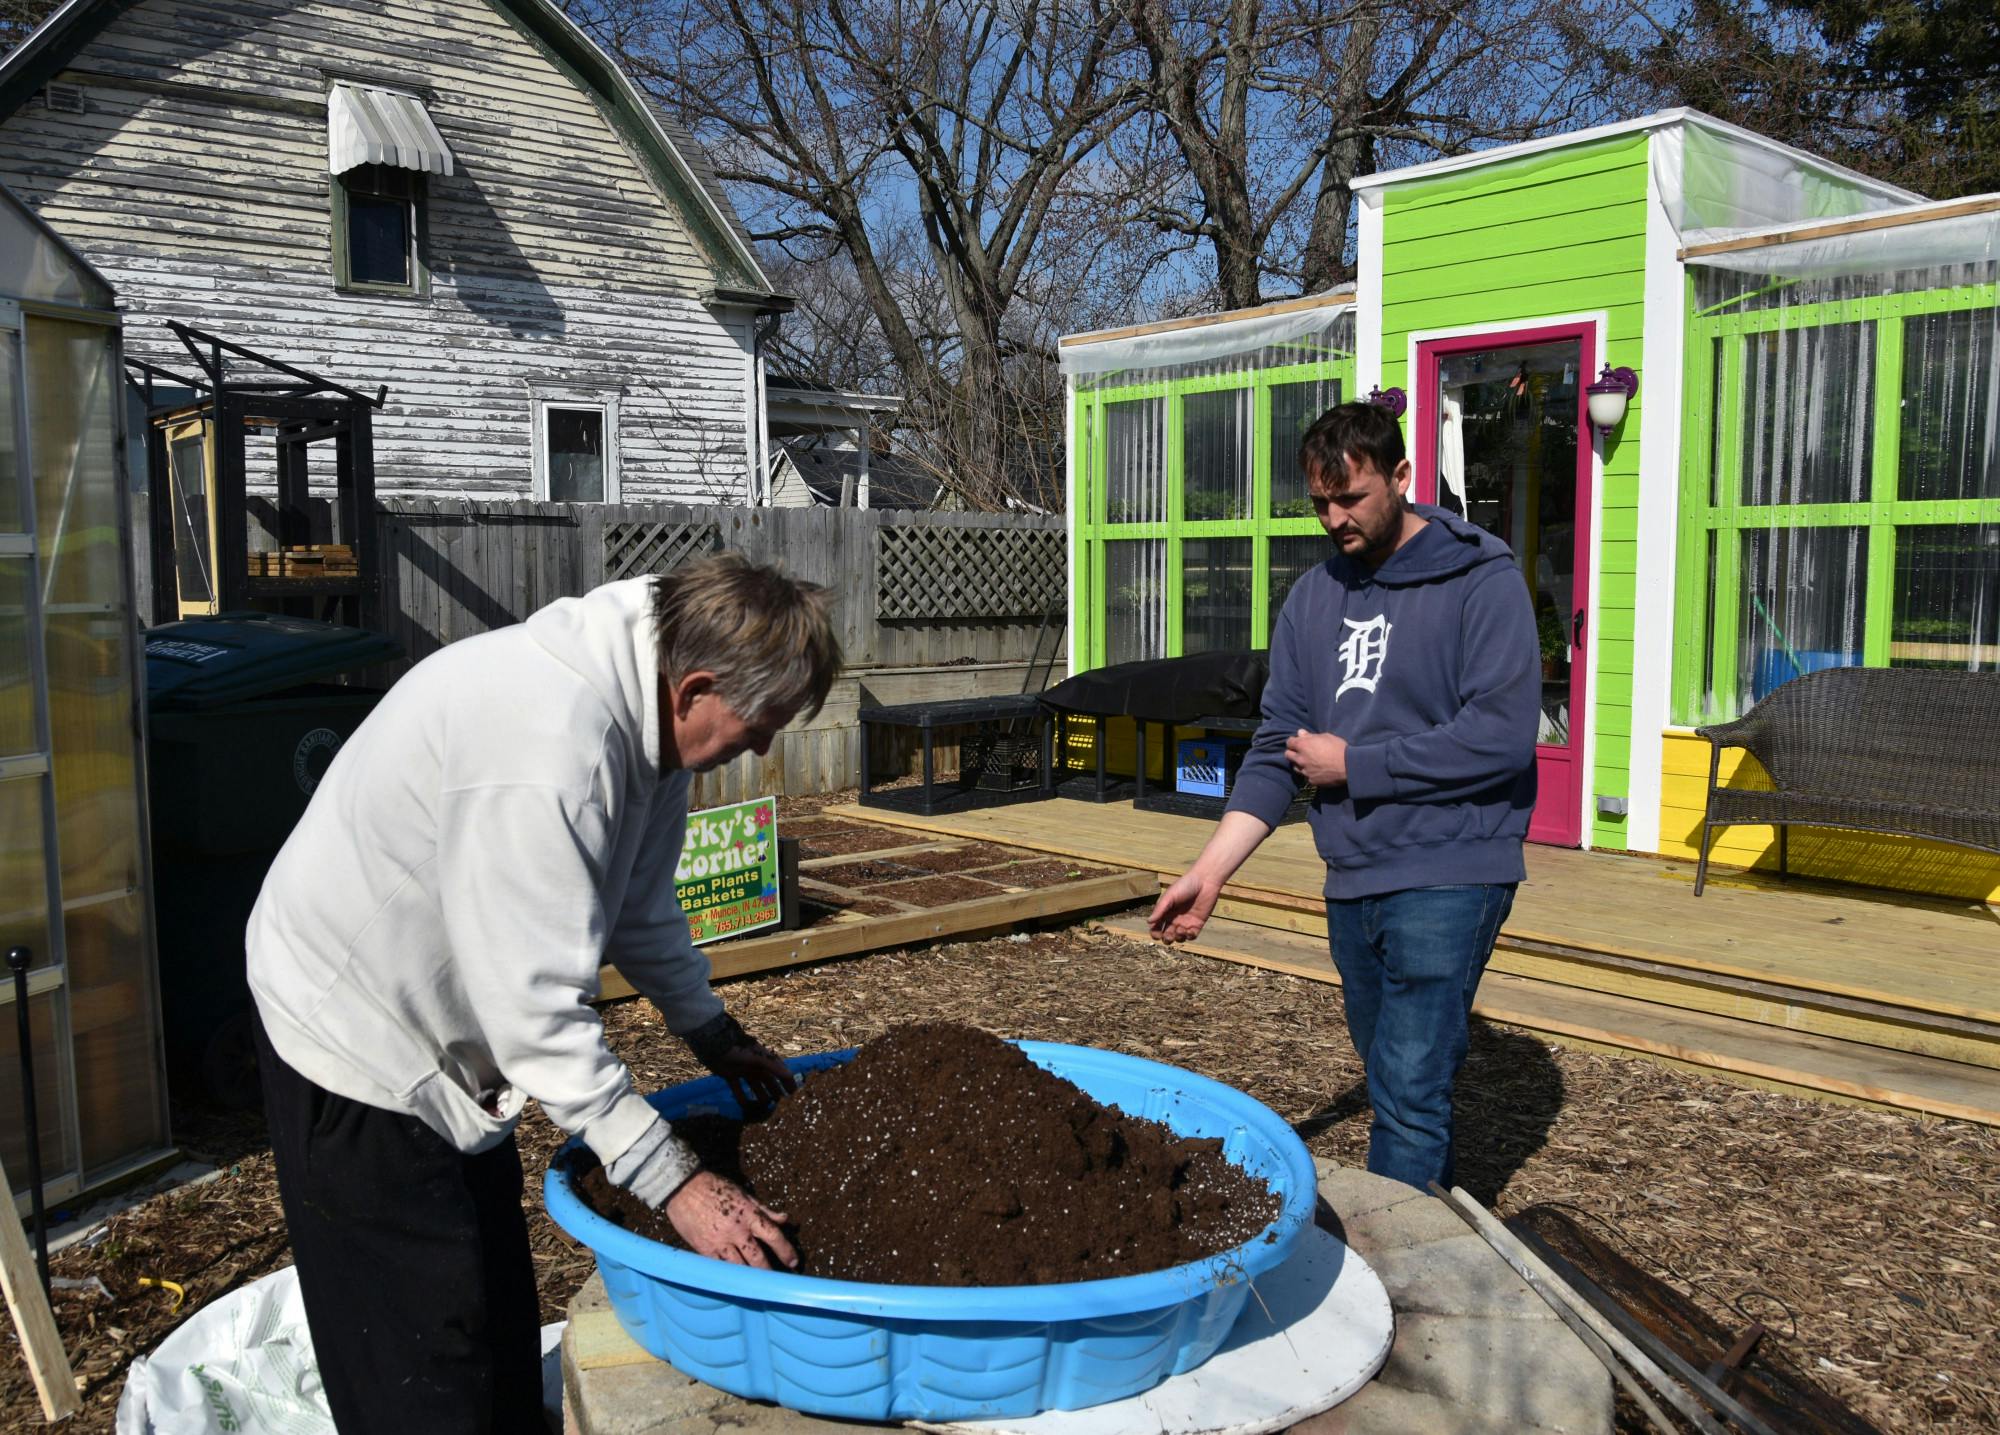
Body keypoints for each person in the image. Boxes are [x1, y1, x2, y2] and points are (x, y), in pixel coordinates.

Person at [246, 553, 841, 1434]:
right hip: (352, 1032)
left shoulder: (652, 721)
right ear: (696, 687)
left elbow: (639, 906)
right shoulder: (548, 746)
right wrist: (677, 1181)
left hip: (451, 1036)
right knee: (422, 1361)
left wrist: (711, 1032)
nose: (759, 750)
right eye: (759, 728)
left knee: (488, 1311)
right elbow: (534, 1016)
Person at [1150, 400, 1538, 1192]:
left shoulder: (1480, 577)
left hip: (1452, 867)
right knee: (1399, 1081)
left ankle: (1394, 1273)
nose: (1333, 518)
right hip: (1353, 873)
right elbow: (1276, 749)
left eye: (1350, 498)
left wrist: (1358, 764)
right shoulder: (1315, 599)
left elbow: (1500, 735)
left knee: (1406, 1089)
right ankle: (1441, 1227)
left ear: (1400, 476)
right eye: (1319, 503)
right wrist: (1211, 871)